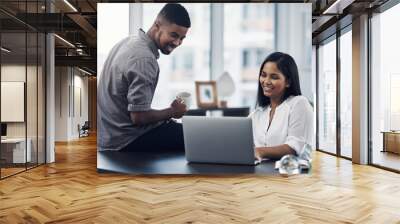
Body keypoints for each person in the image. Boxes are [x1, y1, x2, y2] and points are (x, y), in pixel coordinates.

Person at [97, 3, 191, 152]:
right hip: (126, 140)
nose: (177, 43)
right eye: (173, 35)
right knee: (196, 137)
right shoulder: (145, 59)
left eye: (182, 38)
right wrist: (172, 112)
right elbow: (139, 117)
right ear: (157, 25)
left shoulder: (127, 42)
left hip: (109, 136)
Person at [250, 52, 314, 160]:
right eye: (263, 75)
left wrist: (259, 151)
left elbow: (294, 147)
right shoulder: (258, 113)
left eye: (274, 77)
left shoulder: (299, 103)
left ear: (288, 82)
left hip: (289, 172)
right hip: (260, 172)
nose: (266, 81)